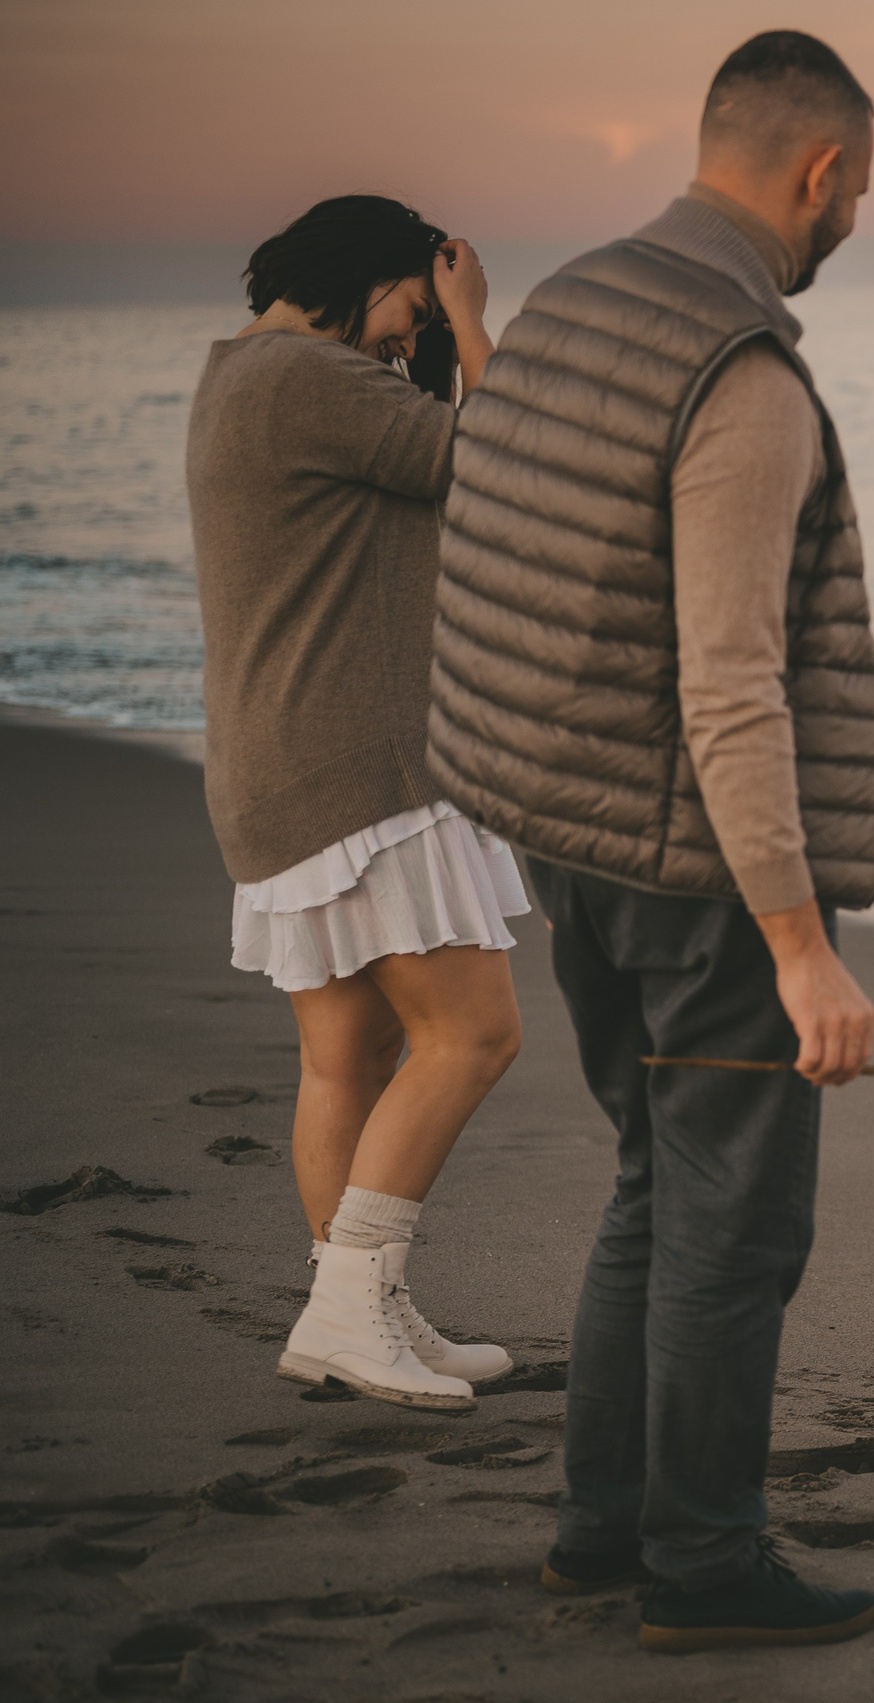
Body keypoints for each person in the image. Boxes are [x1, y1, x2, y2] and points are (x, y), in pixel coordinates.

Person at [425, 30, 874, 1654]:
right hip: (697, 875)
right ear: (819, 173)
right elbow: (731, 682)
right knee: (734, 1224)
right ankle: (701, 1564)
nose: (854, 222)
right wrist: (799, 944)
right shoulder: (740, 374)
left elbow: (510, 539)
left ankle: (602, 1528)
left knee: (654, 1178)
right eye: (858, 193)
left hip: (565, 838)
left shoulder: (573, 305)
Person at [185, 194, 524, 1416]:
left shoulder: (241, 377)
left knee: (348, 1057)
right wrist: (475, 326)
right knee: (472, 1035)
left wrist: (430, 339)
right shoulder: (311, 377)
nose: (409, 339)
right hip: (359, 767)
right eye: (409, 309)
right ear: (362, 272)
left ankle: (359, 1306)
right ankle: (346, 1306)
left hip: (275, 762)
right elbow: (506, 468)